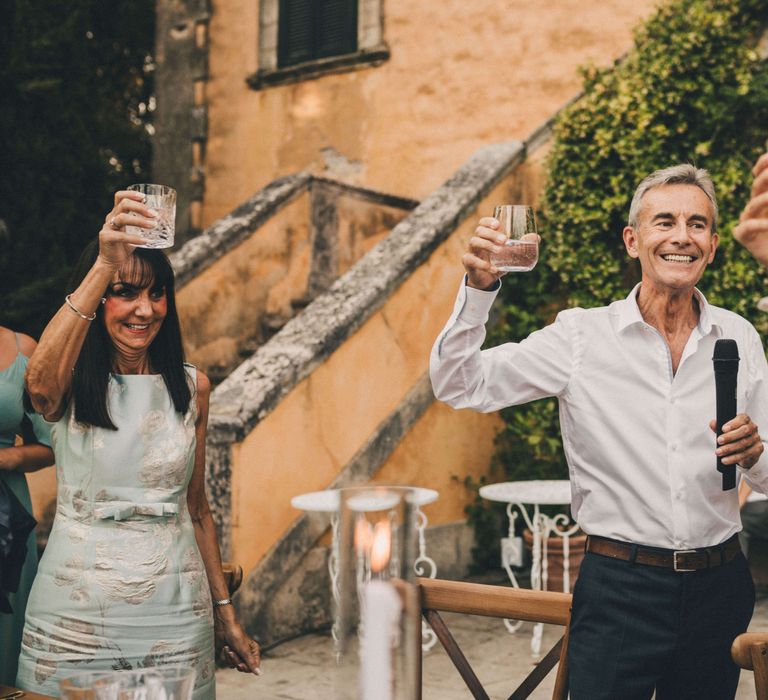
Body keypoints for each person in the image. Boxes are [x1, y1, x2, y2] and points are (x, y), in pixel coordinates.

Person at [430, 164, 768, 700]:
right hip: (620, 590)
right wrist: (478, 287)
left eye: (697, 224)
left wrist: (755, 455)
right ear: (633, 241)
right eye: (665, 222)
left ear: (713, 245)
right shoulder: (580, 337)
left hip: (720, 586)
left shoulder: (740, 336)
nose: (682, 236)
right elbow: (458, 383)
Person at [16, 191, 260, 698]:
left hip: (173, 612)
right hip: (76, 612)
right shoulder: (65, 385)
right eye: (124, 292)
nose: (144, 310)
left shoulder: (194, 388)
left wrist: (226, 616)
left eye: (156, 294)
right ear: (100, 294)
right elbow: (37, 388)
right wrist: (106, 263)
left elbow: (197, 512)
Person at [0, 326, 54, 686]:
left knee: (6, 635)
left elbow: (51, 445)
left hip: (8, 515)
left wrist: (11, 456)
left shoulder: (23, 349)